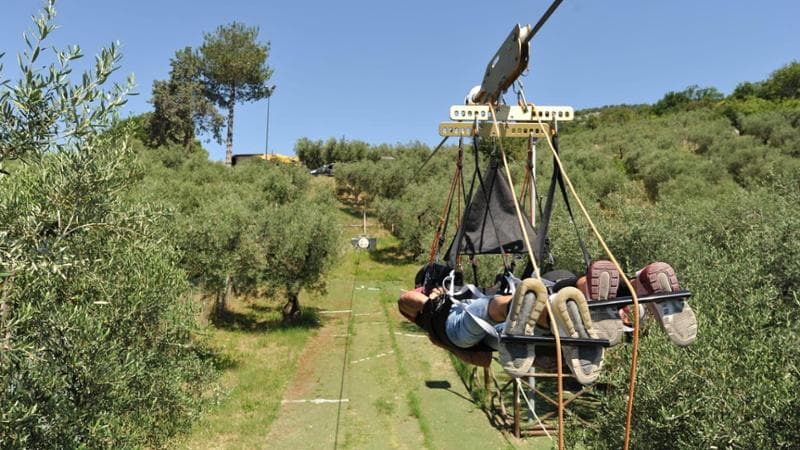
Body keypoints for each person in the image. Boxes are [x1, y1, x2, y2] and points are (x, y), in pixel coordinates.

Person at [398, 260, 697, 385]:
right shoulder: (457, 297)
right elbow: (486, 361)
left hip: (470, 324)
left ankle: (552, 305)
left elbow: (405, 300)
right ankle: (640, 285)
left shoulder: (447, 302)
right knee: (566, 302)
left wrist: (432, 306)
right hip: (511, 326)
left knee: (496, 309)